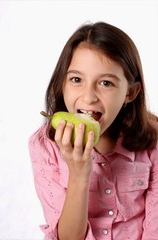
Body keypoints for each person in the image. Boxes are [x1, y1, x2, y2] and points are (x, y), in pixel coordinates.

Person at [28, 21, 158, 240]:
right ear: (62, 83)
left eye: (106, 83)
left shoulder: (153, 139)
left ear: (131, 93)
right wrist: (79, 173)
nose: (88, 97)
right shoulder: (44, 146)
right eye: (76, 79)